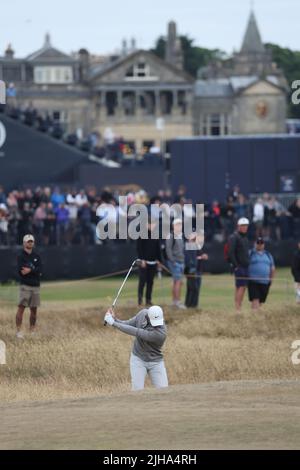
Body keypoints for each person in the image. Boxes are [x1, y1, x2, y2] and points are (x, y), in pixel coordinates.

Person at [104, 306, 168, 391]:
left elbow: (136, 331)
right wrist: (114, 319)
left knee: (164, 390)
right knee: (137, 391)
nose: (157, 325)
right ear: (148, 316)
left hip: (156, 362)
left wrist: (113, 323)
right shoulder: (142, 314)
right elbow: (128, 324)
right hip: (138, 359)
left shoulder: (161, 334)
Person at [16, 234, 42, 338]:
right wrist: (34, 271)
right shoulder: (21, 256)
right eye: (28, 241)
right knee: (21, 308)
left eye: (31, 241)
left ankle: (32, 331)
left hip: (35, 286)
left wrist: (30, 270)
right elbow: (22, 271)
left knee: (34, 311)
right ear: (24, 243)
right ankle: (18, 331)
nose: (30, 243)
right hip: (25, 286)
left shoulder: (37, 256)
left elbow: (40, 271)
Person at [136, 220, 162, 306]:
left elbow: (158, 249)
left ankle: (148, 300)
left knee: (150, 282)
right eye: (151, 224)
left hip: (153, 262)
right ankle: (140, 300)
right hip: (144, 262)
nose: (153, 226)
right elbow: (139, 248)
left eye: (154, 224)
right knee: (142, 282)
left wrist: (159, 260)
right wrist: (142, 259)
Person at [228, 217, 250, 310]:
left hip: (245, 266)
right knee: (241, 286)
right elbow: (231, 252)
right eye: (243, 226)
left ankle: (237, 307)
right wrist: (236, 266)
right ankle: (238, 307)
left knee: (241, 286)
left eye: (246, 226)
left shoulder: (244, 237)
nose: (244, 227)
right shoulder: (234, 237)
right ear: (238, 226)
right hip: (240, 266)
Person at [248, 238, 275, 309]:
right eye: (258, 243)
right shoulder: (250, 253)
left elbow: (272, 268)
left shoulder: (268, 255)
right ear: (255, 244)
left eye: (261, 243)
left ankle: (257, 316)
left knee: (261, 301)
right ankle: (255, 316)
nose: (260, 245)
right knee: (255, 299)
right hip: (253, 281)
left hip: (265, 281)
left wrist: (271, 280)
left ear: (264, 244)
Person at [165, 219, 186, 309]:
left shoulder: (180, 236)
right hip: (175, 262)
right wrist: (173, 261)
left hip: (181, 262)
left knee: (177, 282)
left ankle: (175, 301)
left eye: (180, 224)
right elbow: (168, 249)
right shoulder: (171, 236)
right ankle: (177, 301)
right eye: (177, 224)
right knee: (178, 282)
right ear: (173, 226)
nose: (179, 226)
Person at [184, 232, 208, 308]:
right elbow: (188, 259)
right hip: (191, 270)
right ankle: (189, 305)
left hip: (198, 269)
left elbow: (197, 256)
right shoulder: (189, 245)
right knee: (192, 288)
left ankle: (194, 305)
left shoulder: (197, 245)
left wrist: (202, 256)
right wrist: (201, 257)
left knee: (196, 288)